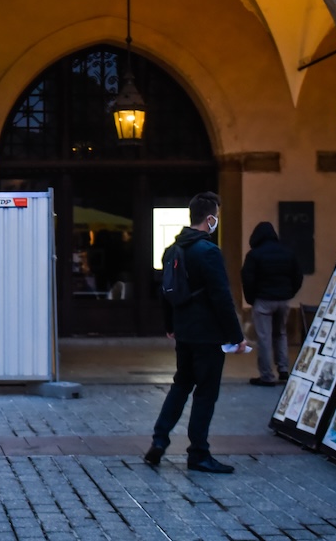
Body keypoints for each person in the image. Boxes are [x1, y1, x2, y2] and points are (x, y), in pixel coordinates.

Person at [144, 192, 245, 474]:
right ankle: (198, 452)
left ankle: (160, 440)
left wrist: (170, 326)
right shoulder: (208, 252)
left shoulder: (173, 249)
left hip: (184, 331)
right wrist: (236, 335)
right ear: (210, 219)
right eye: (217, 218)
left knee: (180, 385)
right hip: (208, 333)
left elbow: (164, 292)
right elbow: (221, 296)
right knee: (205, 393)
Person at [240, 221, 304, 386]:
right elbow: (298, 275)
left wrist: (251, 299)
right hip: (283, 300)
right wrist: (289, 293)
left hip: (263, 300)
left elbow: (247, 279)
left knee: (264, 338)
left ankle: (267, 376)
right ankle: (283, 370)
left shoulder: (254, 255)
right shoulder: (287, 252)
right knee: (280, 334)